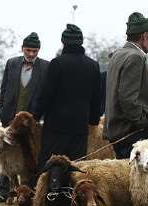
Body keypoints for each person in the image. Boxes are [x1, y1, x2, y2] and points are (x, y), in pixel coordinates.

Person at [33, 23, 101, 172]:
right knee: (75, 168)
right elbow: (97, 98)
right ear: (81, 42)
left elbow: (46, 94)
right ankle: (72, 194)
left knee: (50, 167)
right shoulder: (93, 66)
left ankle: (48, 195)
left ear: (63, 42)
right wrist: (93, 120)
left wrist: (36, 116)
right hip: (80, 127)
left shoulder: (57, 63)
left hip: (56, 127)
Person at [0, 32, 49, 203]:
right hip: (10, 117)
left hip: (31, 122)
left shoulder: (45, 66)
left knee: (29, 154)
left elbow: (45, 93)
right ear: (22, 48)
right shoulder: (12, 63)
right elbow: (4, 88)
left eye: (35, 51)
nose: (31, 54)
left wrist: (37, 118)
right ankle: (3, 191)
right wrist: (3, 111)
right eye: (29, 50)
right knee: (5, 153)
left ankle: (28, 191)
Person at [103, 12, 148, 159]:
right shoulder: (135, 57)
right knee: (137, 180)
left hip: (117, 130)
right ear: (145, 36)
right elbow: (127, 98)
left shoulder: (118, 54)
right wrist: (144, 122)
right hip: (132, 133)